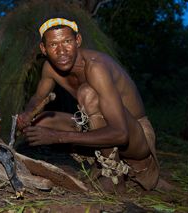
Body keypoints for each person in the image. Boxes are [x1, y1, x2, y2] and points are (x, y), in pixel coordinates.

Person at [16, 18, 159, 192]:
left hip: (136, 136)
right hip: (98, 123)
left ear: (78, 41)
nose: (61, 51)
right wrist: (27, 114)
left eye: (67, 42)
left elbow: (121, 134)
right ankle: (97, 160)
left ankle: (114, 176)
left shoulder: (95, 68)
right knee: (38, 122)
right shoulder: (49, 69)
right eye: (53, 45)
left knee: (88, 94)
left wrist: (57, 136)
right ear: (43, 49)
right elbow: (38, 98)